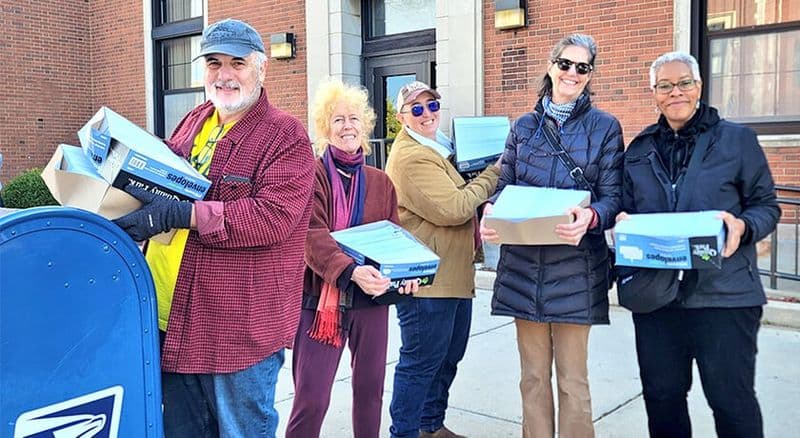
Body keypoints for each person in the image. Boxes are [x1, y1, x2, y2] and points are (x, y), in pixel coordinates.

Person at [113, 18, 315, 437]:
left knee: (242, 430)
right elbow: (162, 175)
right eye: (213, 62)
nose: (224, 75)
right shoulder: (195, 119)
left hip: (237, 329)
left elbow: (272, 217)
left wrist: (181, 214)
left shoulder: (285, 135)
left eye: (237, 63)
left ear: (262, 69)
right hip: (170, 316)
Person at [618, 51, 780, 438]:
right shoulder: (639, 150)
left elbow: (767, 206)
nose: (676, 92)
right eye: (665, 86)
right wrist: (621, 223)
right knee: (662, 398)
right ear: (653, 93)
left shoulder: (737, 140)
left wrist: (743, 225)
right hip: (657, 298)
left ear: (699, 87)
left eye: (684, 83)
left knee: (730, 401)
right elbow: (624, 208)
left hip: (725, 296)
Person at [480, 34, 623, 438]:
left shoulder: (605, 127)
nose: (572, 74)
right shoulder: (523, 128)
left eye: (582, 67)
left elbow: (614, 197)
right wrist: (490, 211)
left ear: (590, 75)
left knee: (573, 383)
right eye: (565, 64)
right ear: (550, 66)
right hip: (524, 267)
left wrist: (592, 215)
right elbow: (503, 187)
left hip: (575, 269)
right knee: (532, 379)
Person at [285, 79, 417, 438]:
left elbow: (394, 239)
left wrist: (406, 272)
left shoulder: (381, 182)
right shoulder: (309, 175)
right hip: (320, 302)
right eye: (339, 119)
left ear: (366, 125)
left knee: (370, 393)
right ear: (325, 126)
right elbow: (310, 236)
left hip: (371, 302)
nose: (348, 126)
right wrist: (352, 271)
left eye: (354, 118)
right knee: (311, 397)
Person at [384, 80, 500, 438]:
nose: (426, 114)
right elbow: (454, 207)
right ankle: (404, 432)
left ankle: (431, 427)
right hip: (427, 282)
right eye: (416, 109)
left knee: (447, 358)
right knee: (421, 364)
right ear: (402, 117)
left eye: (431, 105)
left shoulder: (439, 147)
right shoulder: (411, 156)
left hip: (453, 275)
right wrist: (495, 171)